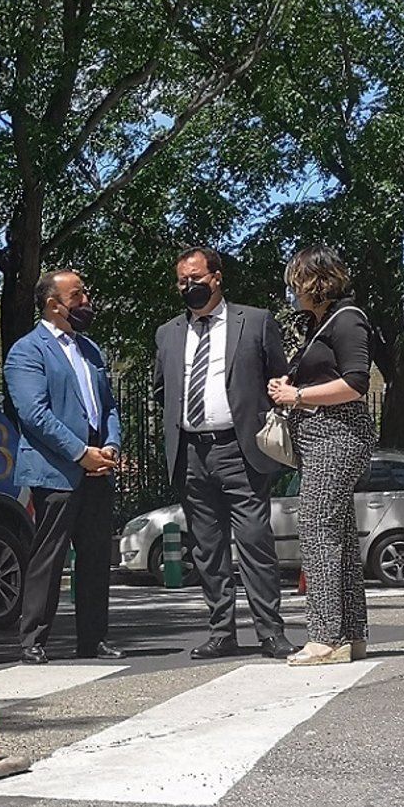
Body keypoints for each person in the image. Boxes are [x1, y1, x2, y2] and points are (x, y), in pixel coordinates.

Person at [152, 246, 294, 660]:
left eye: (196, 278)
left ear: (216, 277)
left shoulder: (255, 322)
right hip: (191, 453)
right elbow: (162, 389)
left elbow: (278, 378)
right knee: (207, 549)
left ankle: (270, 632)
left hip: (240, 449)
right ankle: (221, 632)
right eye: (182, 281)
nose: (189, 286)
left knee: (254, 542)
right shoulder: (168, 333)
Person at [6, 269, 124, 663]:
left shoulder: (90, 349)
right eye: (78, 296)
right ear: (53, 305)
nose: (86, 301)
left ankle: (94, 637)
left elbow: (108, 406)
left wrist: (110, 445)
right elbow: (34, 414)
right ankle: (34, 639)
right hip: (56, 470)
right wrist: (79, 452)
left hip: (98, 466)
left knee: (95, 555)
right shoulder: (28, 351)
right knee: (50, 555)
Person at [267, 245, 376, 665]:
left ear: (315, 282)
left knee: (316, 529)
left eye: (296, 283)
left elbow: (356, 383)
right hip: (320, 437)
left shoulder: (347, 319)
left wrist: (296, 395)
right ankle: (350, 634)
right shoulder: (322, 323)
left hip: (337, 435)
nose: (292, 292)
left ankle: (325, 637)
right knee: (339, 535)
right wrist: (290, 387)